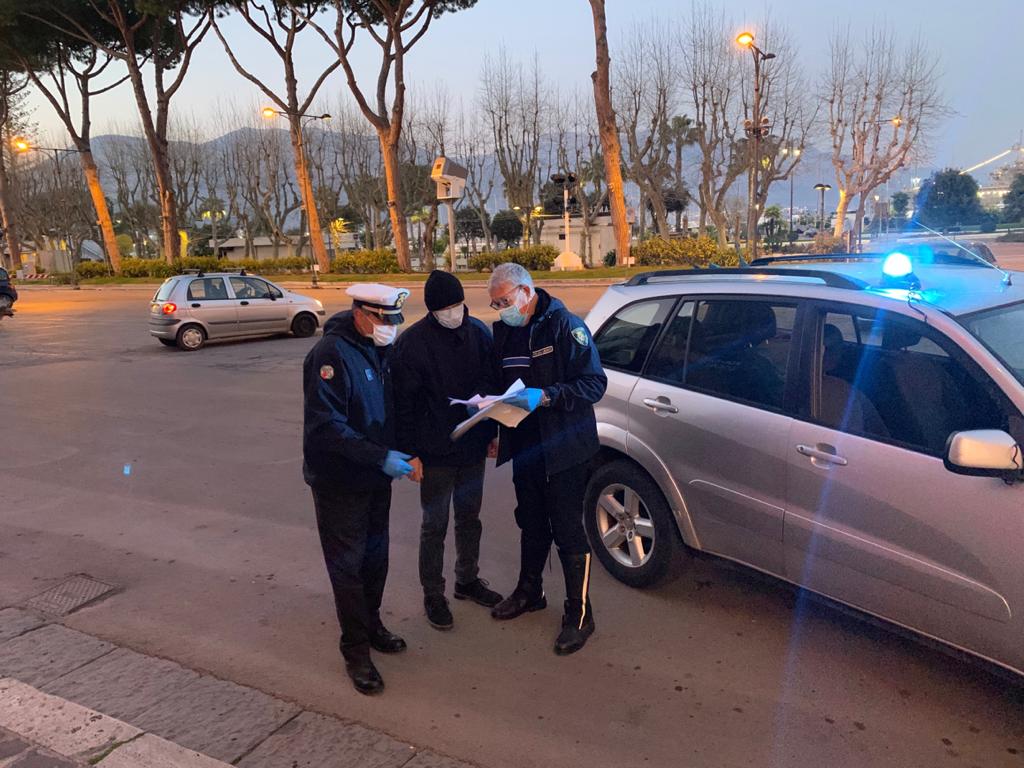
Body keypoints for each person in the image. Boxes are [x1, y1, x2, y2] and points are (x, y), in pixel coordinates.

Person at [487, 263, 608, 655]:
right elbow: (499, 385)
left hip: (565, 447)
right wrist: (494, 424)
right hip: (524, 444)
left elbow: (593, 383)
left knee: (568, 528)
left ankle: (579, 613)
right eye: (495, 303)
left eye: (504, 301)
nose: (500, 309)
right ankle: (530, 591)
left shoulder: (563, 325)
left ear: (526, 292)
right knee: (532, 520)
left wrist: (550, 395)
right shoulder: (504, 330)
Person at [302, 283, 415, 696]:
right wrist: (378, 456)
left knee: (375, 559)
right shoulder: (330, 355)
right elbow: (327, 428)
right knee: (348, 569)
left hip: (373, 477)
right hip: (339, 481)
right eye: (384, 321)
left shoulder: (376, 348)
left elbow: (385, 410)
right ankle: (356, 651)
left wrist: (400, 452)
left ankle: (372, 625)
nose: (390, 329)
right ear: (361, 314)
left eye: (393, 322)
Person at [392, 270, 504, 631]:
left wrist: (491, 432)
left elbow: (491, 388)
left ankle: (467, 580)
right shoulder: (412, 345)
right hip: (434, 451)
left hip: (472, 446)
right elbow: (402, 405)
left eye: (457, 305)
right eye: (446, 308)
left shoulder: (479, 334)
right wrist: (411, 454)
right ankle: (433, 593)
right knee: (434, 524)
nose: (454, 313)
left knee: (470, 518)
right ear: (432, 310)